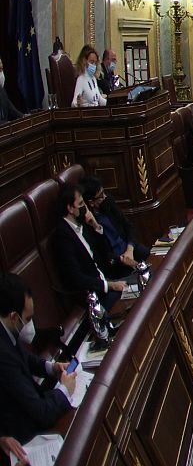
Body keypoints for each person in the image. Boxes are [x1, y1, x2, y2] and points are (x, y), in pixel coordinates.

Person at [0, 274, 76, 442]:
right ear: (13, 317)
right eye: (27, 319)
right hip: (24, 434)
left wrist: (52, 367)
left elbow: (24, 357)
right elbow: (43, 413)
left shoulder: (5, 331)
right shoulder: (3, 360)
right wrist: (65, 390)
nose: (30, 325)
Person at [53, 182, 128, 314]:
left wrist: (95, 225)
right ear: (70, 208)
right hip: (95, 295)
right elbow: (77, 278)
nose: (85, 207)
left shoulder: (83, 224)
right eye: (81, 204)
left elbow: (104, 252)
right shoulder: (62, 237)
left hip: (108, 279)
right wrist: (110, 285)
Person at [79, 176, 151, 283]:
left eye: (104, 192)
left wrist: (129, 249)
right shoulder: (88, 224)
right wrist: (123, 259)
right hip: (115, 262)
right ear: (91, 202)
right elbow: (102, 255)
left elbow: (128, 226)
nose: (105, 197)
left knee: (145, 253)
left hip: (129, 250)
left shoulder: (109, 203)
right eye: (101, 196)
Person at [0, 58, 23, 124]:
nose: (1, 74)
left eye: (2, 69)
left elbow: (9, 106)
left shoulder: (1, 89)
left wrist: (22, 116)